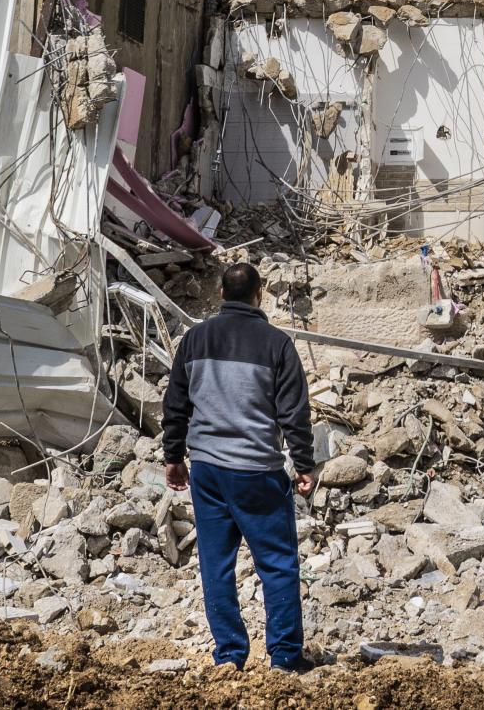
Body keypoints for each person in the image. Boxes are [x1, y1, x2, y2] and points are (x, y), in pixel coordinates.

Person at [161, 260, 316, 670]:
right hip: (256, 472)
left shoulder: (194, 340)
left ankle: (229, 655)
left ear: (221, 295)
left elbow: (175, 404)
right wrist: (304, 464)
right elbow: (294, 414)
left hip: (208, 470)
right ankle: (284, 657)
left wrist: (173, 456)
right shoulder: (277, 344)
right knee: (278, 563)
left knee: (216, 565)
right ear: (258, 294)